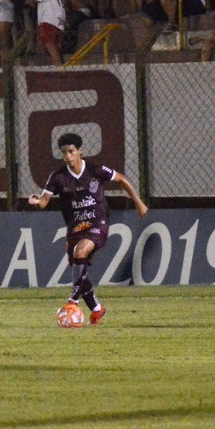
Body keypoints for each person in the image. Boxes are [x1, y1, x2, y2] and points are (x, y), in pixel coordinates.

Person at [27, 132, 149, 325]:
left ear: (80, 151)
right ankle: (97, 310)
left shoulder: (95, 170)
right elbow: (44, 202)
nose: (67, 156)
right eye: (64, 152)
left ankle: (72, 302)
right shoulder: (58, 177)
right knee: (79, 270)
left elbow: (121, 179)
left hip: (97, 223)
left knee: (80, 251)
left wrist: (138, 201)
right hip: (75, 229)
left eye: (71, 151)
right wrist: (36, 201)